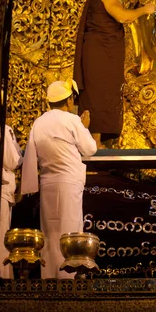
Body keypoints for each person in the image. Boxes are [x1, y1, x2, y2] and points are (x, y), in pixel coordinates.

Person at [20, 78, 97, 279]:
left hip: (47, 183)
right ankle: (68, 281)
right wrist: (84, 126)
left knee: (50, 232)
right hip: (69, 183)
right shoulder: (72, 120)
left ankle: (50, 278)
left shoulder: (39, 122)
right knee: (69, 231)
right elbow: (90, 149)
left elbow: (30, 156)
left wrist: (27, 186)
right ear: (69, 100)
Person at [73, 0, 156, 147]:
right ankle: (94, 140)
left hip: (100, 53)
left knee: (99, 93)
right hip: (100, 55)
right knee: (99, 94)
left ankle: (95, 139)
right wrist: (145, 10)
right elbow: (123, 17)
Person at [0, 123, 23, 279]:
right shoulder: (2, 129)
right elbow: (12, 160)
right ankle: (1, 278)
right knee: (0, 239)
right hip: (0, 190)